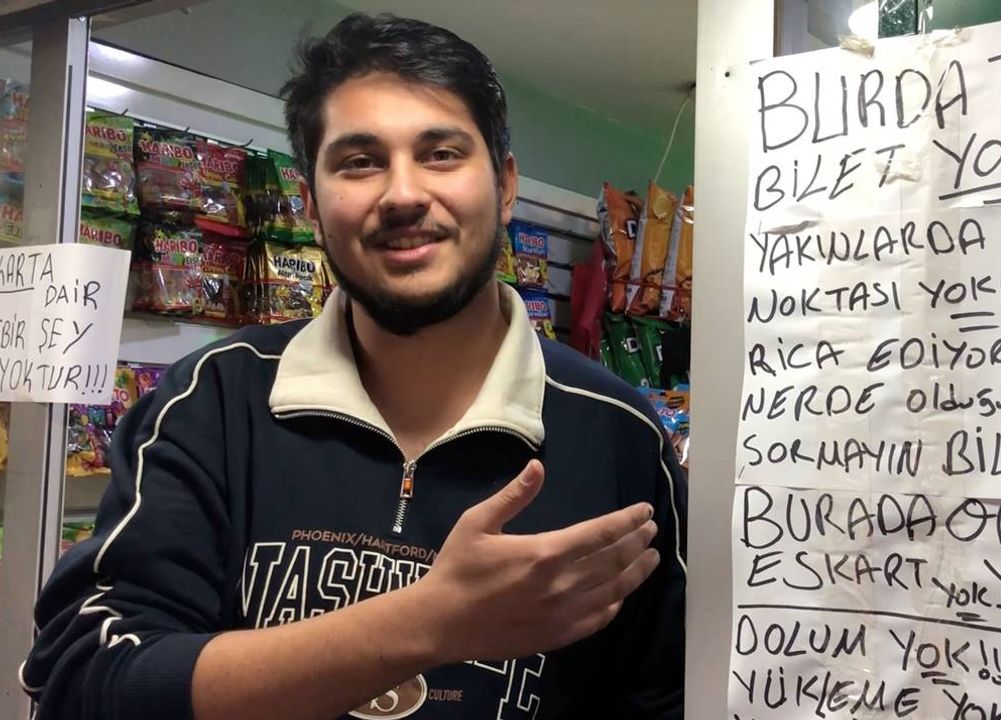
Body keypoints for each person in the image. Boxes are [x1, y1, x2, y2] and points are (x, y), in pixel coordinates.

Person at [22, 13, 686, 720]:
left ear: (505, 185)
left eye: (441, 154)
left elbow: (669, 697)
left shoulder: (618, 435)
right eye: (360, 162)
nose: (402, 194)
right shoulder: (211, 400)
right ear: (311, 205)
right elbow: (83, 681)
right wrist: (427, 624)